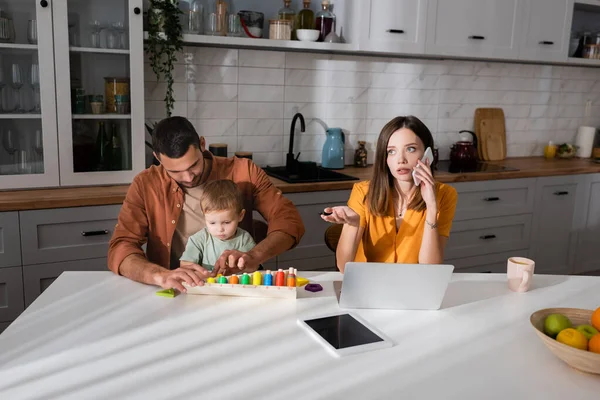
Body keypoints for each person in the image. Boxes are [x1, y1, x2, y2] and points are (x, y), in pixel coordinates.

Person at [108, 116, 305, 292]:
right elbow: (121, 247)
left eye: (193, 165)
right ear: (158, 158)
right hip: (176, 292)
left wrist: (254, 256)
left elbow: (288, 220)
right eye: (175, 172)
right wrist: (159, 275)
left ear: (202, 144)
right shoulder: (146, 184)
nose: (187, 177)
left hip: (235, 289)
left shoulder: (244, 172)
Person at [321, 116, 457, 272]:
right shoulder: (363, 192)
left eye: (411, 149)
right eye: (391, 151)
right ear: (384, 158)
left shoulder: (445, 195)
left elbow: (431, 270)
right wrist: (352, 224)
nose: (401, 159)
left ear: (428, 154)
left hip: (414, 287)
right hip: (369, 284)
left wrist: (432, 208)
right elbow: (343, 267)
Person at [180, 179, 256, 271]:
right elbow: (185, 266)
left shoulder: (244, 239)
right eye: (212, 223)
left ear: (240, 216)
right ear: (204, 216)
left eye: (227, 222)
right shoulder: (198, 239)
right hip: (207, 284)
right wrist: (200, 273)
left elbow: (253, 266)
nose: (220, 229)